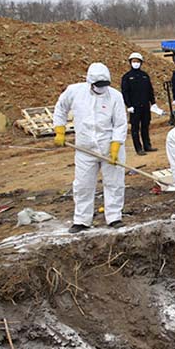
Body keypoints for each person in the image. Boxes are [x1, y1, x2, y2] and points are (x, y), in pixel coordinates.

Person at [53, 63, 128, 233]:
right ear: (90, 82)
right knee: (83, 184)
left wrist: (116, 145)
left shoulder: (115, 96)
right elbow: (60, 108)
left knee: (114, 183)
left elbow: (120, 123)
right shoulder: (75, 92)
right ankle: (81, 220)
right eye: (98, 86)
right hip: (85, 148)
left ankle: (114, 217)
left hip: (110, 147)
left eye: (104, 85)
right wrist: (59, 129)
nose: (102, 89)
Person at [121, 52, 160, 155]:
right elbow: (125, 92)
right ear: (130, 62)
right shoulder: (127, 77)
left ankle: (147, 145)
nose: (136, 63)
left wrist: (153, 102)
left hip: (145, 106)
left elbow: (149, 90)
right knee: (135, 128)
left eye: (138, 61)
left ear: (141, 63)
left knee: (145, 126)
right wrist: (128, 105)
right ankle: (138, 148)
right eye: (134, 61)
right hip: (134, 107)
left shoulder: (145, 76)